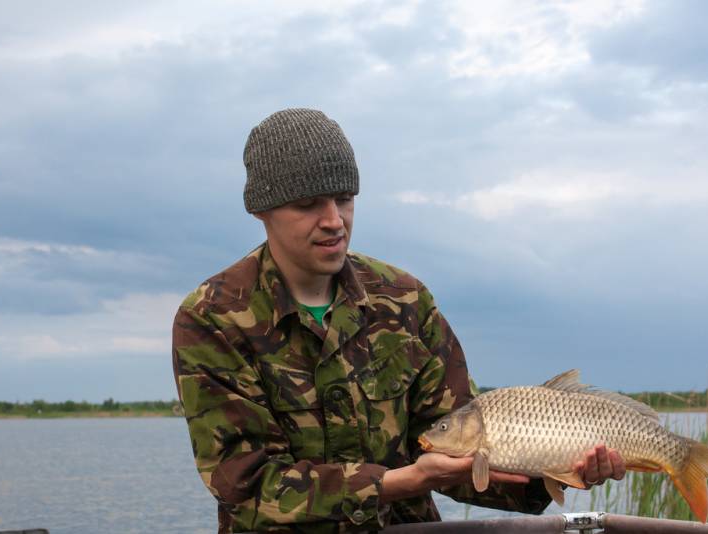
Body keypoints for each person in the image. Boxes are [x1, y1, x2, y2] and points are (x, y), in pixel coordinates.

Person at [172, 108, 625, 533]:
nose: (334, 221)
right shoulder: (213, 316)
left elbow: (457, 451)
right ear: (261, 209)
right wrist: (392, 484)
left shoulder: (404, 299)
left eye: (345, 199)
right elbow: (245, 484)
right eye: (308, 204)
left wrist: (560, 469)